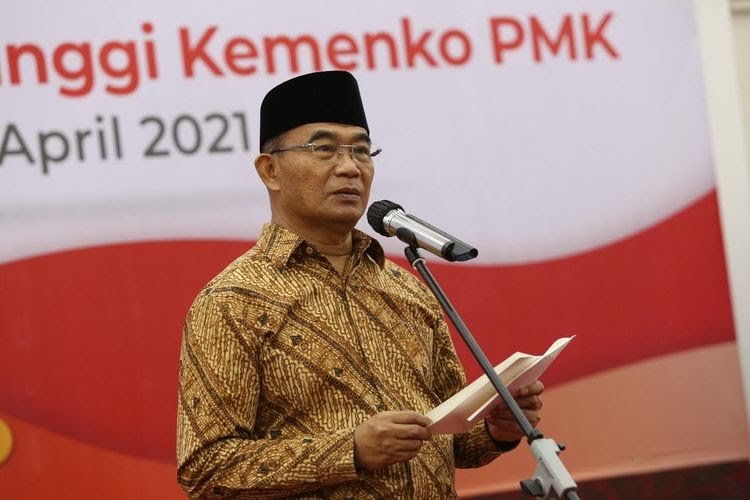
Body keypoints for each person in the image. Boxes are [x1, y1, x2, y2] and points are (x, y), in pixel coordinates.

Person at [176, 70, 544, 498]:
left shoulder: (406, 289)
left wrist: (496, 429)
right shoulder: (233, 300)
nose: (350, 167)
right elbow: (206, 468)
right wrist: (350, 451)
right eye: (324, 149)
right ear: (270, 170)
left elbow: (449, 437)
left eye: (362, 151)